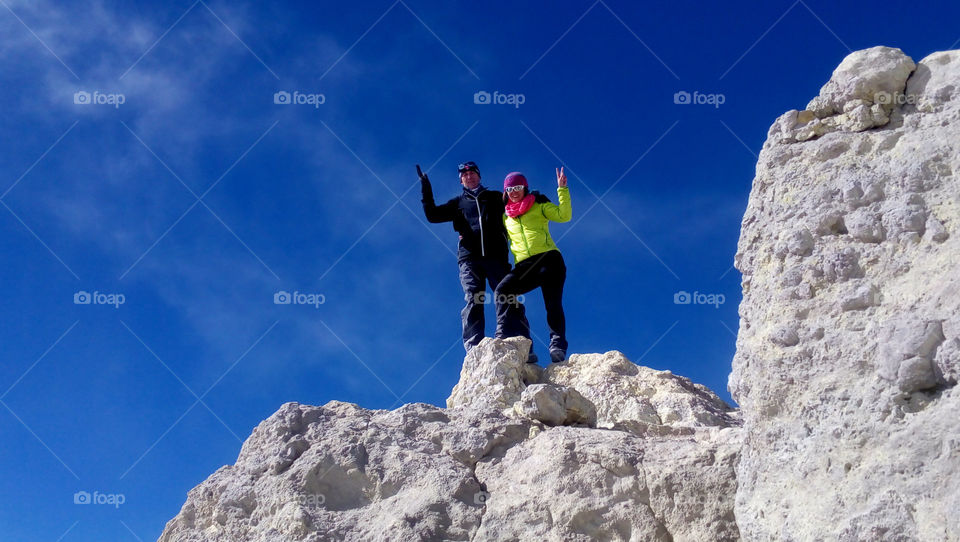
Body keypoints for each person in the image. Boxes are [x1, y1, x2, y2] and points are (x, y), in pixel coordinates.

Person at [418, 161, 536, 361]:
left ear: (479, 176)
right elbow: (432, 215)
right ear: (461, 179)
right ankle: (474, 348)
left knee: (507, 295)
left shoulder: (495, 198)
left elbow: (520, 200)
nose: (469, 176)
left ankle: (518, 341)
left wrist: (535, 195)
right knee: (474, 297)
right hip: (469, 258)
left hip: (496, 256)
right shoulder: (457, 203)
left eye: (472, 172)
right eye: (464, 174)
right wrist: (425, 188)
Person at [495, 167, 572, 363]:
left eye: (518, 187)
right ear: (505, 192)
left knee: (552, 304)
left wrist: (562, 190)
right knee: (503, 291)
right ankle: (517, 340)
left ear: (525, 188)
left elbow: (564, 216)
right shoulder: (505, 218)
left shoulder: (539, 205)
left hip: (549, 259)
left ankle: (558, 346)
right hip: (525, 265)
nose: (514, 192)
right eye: (510, 189)